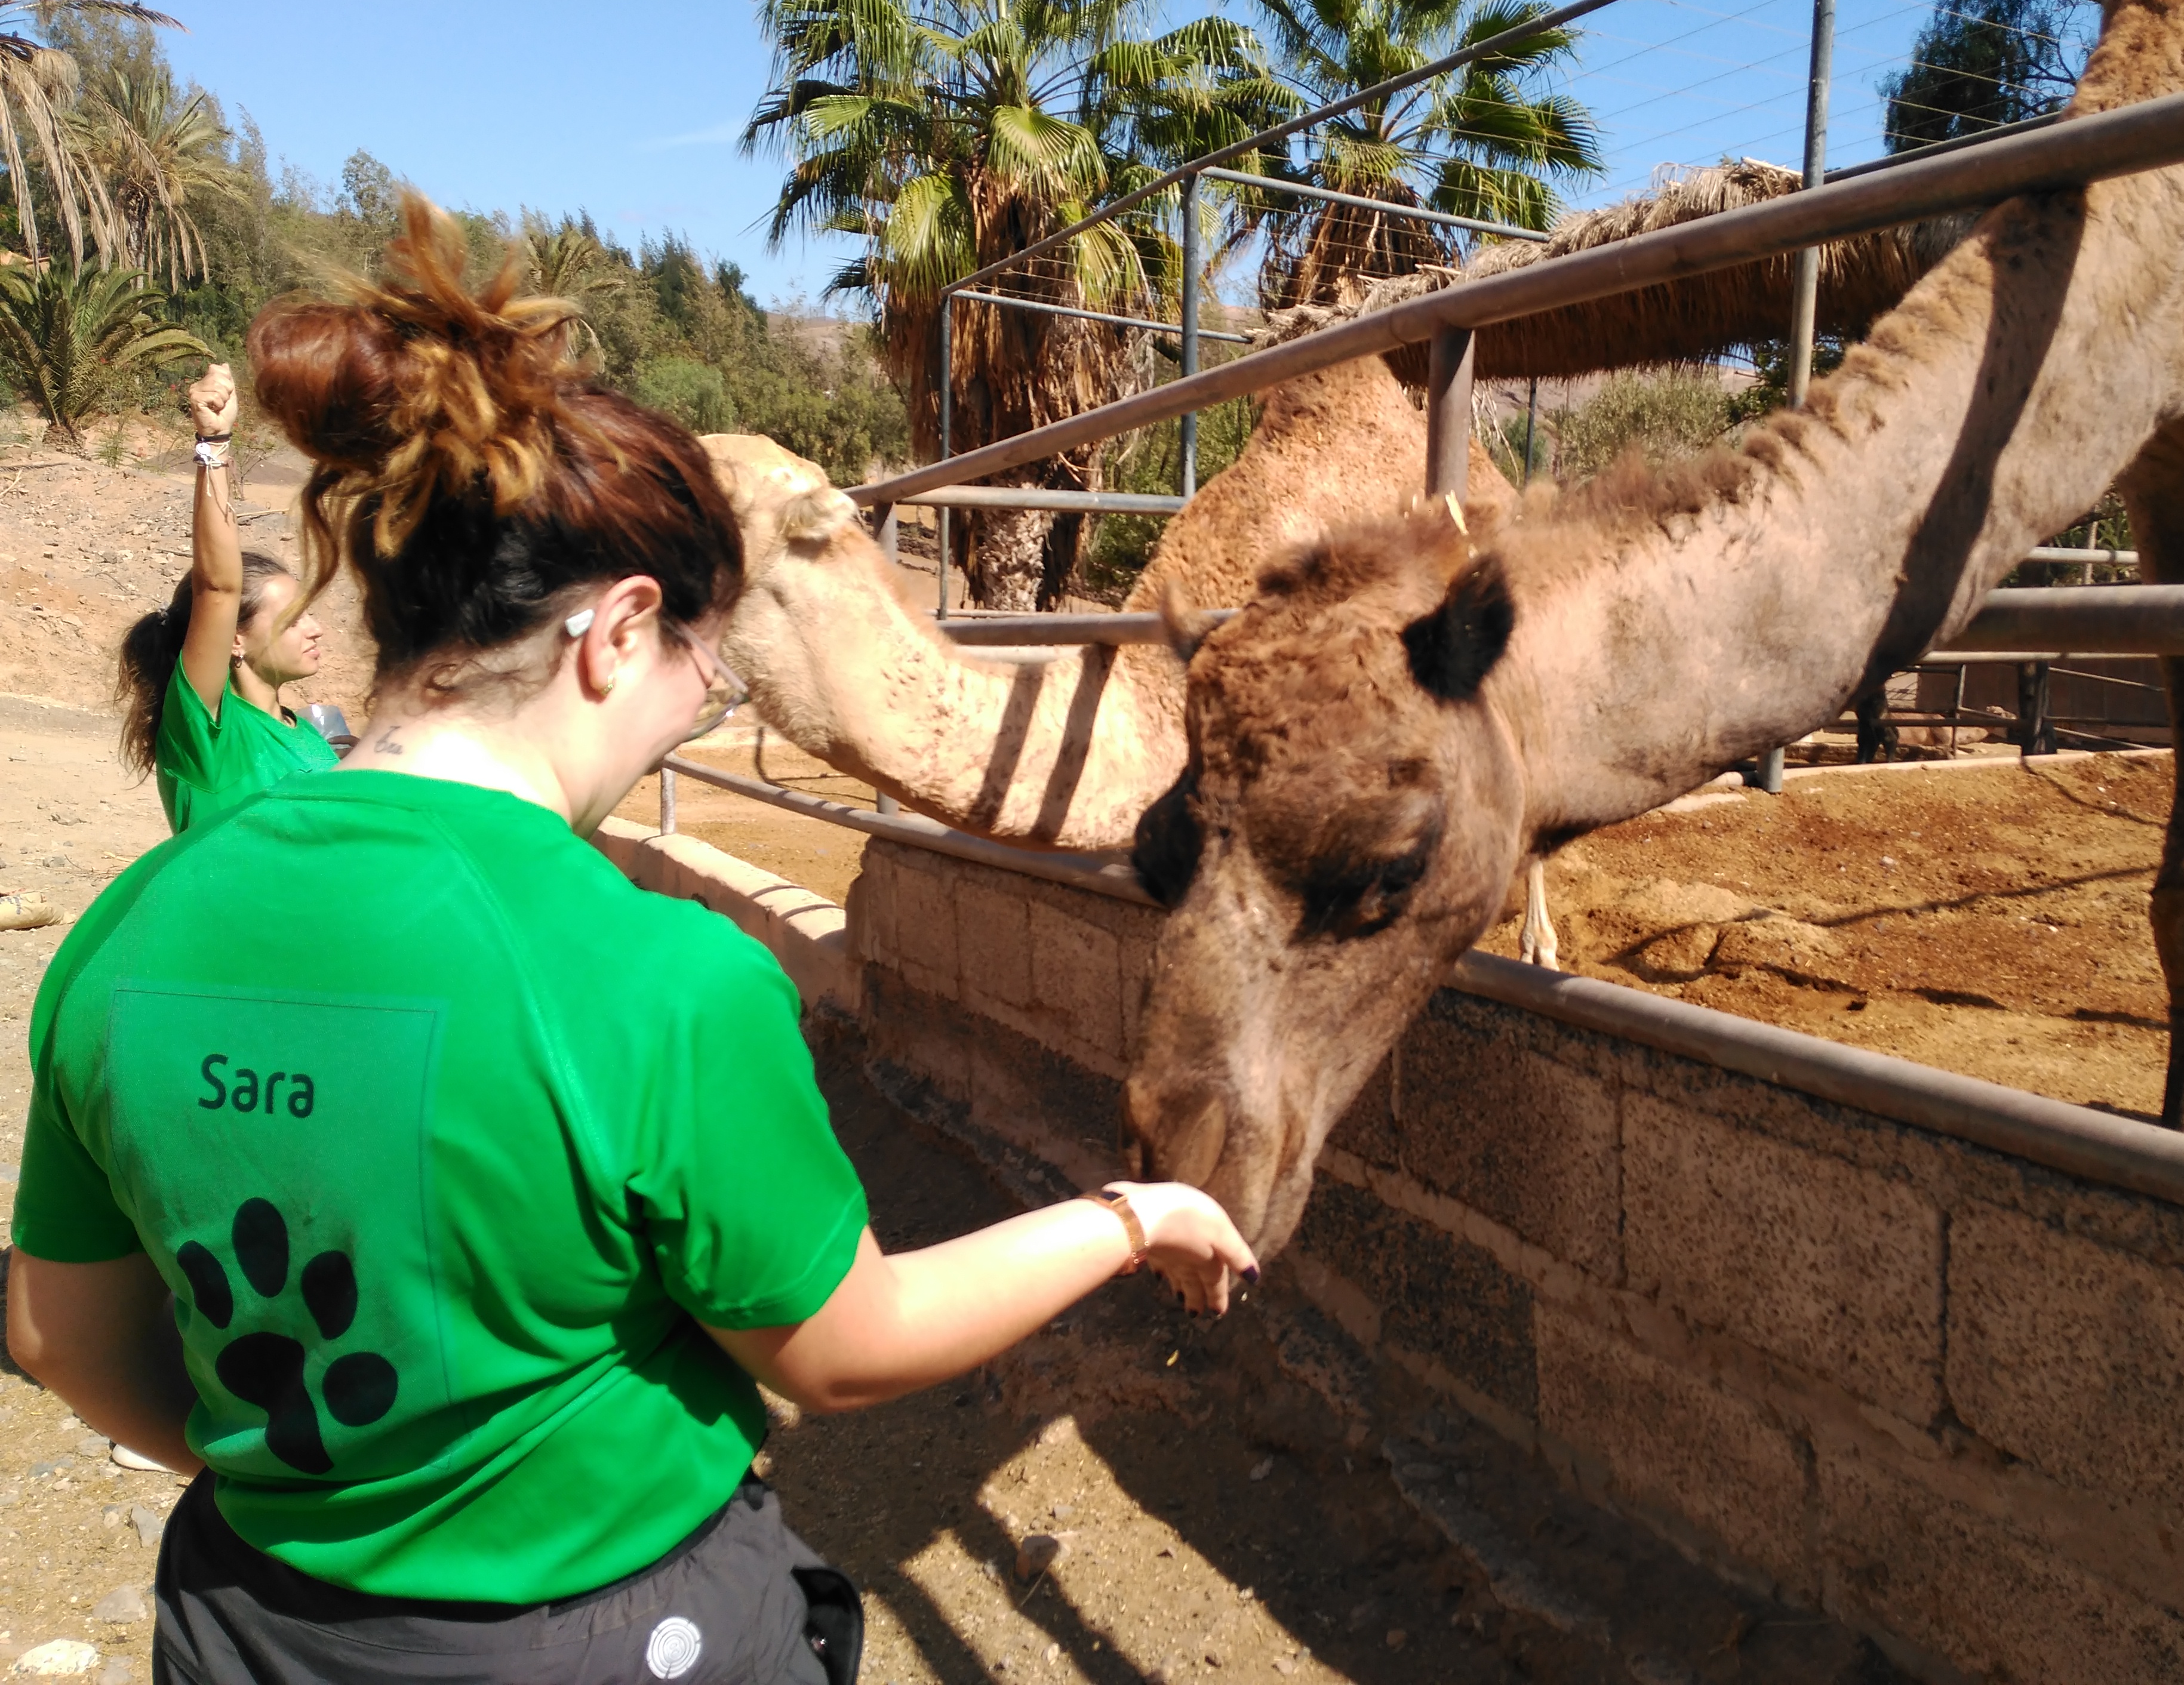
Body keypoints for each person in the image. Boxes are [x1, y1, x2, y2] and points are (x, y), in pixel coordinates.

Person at [7, 197, 1256, 1685]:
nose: (704, 697)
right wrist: (1130, 1216)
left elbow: (57, 1333)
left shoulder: (129, 928)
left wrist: (320, 1485)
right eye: (701, 660)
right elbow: (847, 1344)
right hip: (606, 1635)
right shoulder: (664, 977)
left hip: (248, 1623)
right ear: (616, 631)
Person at [115, 364, 334, 834]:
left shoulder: (311, 734)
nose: (315, 629)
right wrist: (214, 444)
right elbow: (217, 587)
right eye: (293, 619)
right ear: (233, 639)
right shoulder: (208, 732)